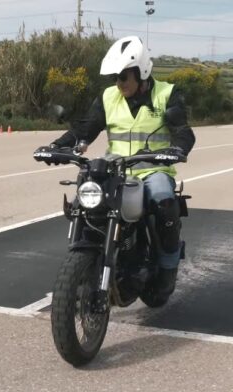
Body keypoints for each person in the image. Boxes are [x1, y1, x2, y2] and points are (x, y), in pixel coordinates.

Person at [49, 35, 195, 301]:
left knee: (164, 201)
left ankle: (167, 267)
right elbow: (86, 128)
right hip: (115, 170)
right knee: (83, 203)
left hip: (153, 170)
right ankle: (83, 266)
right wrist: (58, 145)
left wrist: (177, 150)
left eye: (124, 76)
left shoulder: (166, 94)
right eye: (115, 77)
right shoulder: (108, 97)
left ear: (141, 73)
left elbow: (184, 133)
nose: (119, 83)